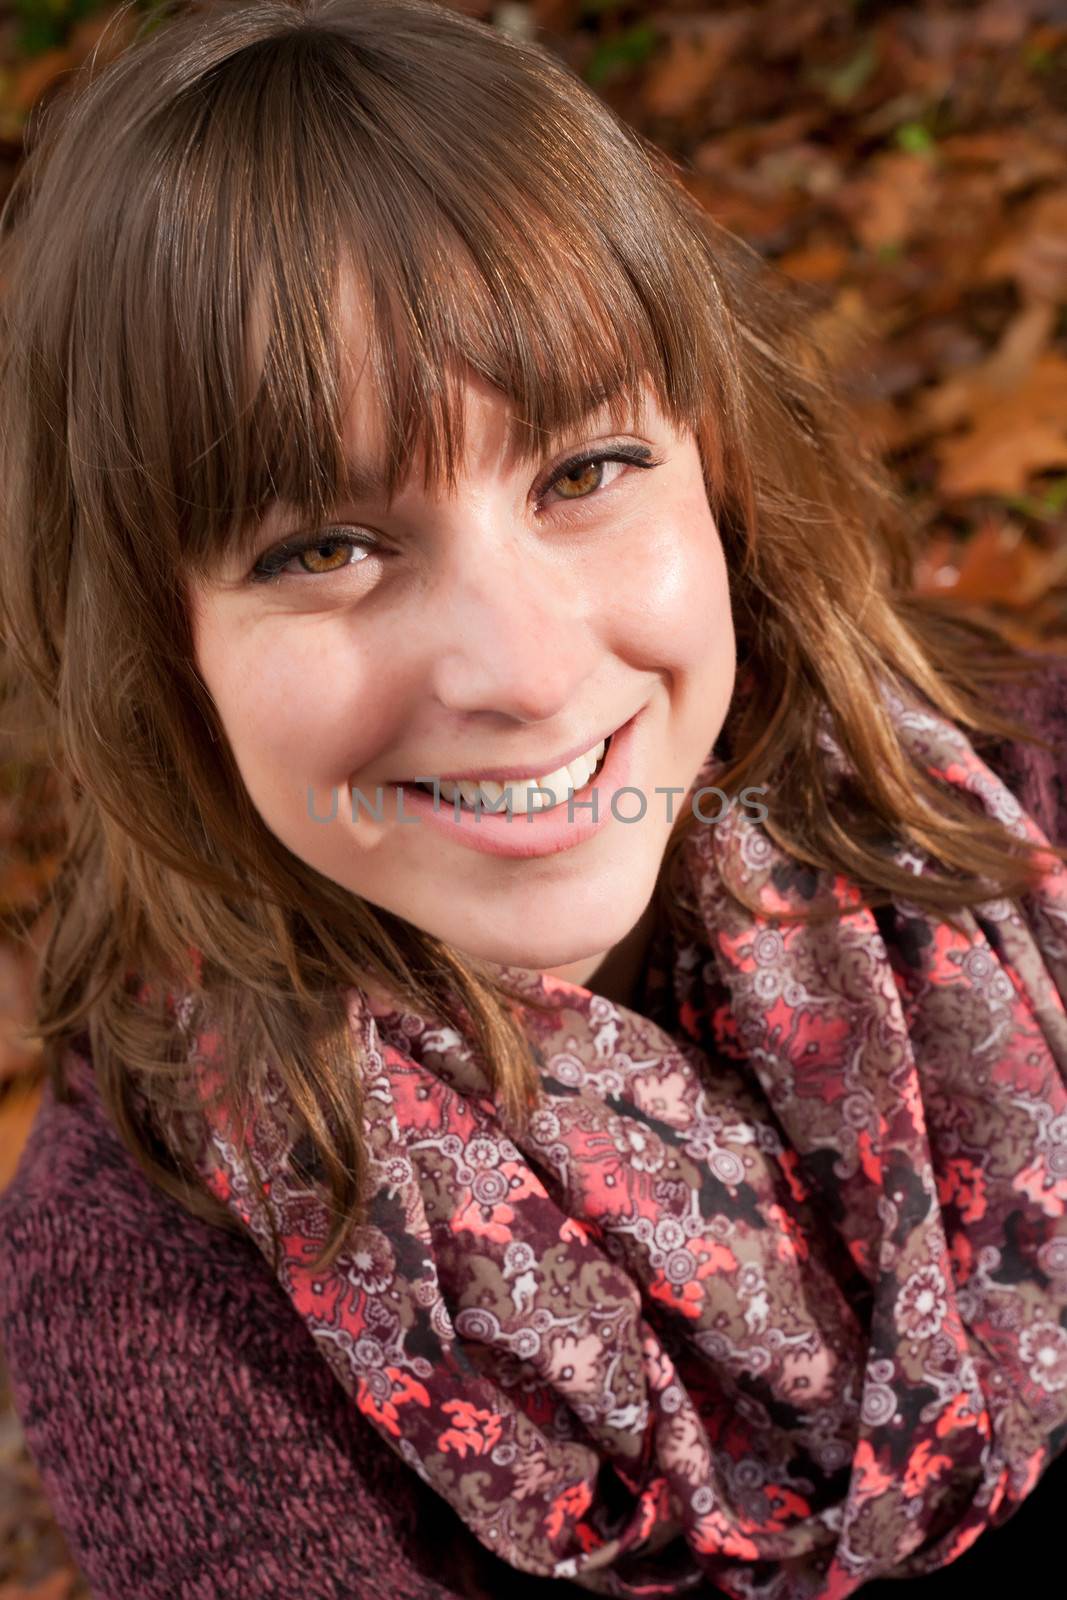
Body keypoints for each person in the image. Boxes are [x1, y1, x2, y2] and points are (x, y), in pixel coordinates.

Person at [1, 1, 1065, 1596]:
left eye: (582, 473)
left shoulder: (1020, 805)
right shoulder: (158, 1278)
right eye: (324, 548)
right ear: (158, 653)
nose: (521, 668)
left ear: (718, 469)